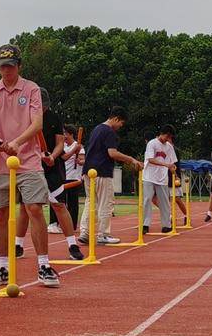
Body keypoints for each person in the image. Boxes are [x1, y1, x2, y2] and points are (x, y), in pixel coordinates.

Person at [0, 45, 61, 289]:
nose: (6, 70)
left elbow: (37, 124)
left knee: (35, 208)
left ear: (19, 66)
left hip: (27, 159)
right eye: (2, 66)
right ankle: (3, 267)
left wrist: (16, 143)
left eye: (11, 66)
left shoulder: (31, 89)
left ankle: (44, 265)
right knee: (0, 214)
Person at [25, 87, 83, 261]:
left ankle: (72, 245)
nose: (41, 109)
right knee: (25, 208)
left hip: (51, 168)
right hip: (29, 166)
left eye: (44, 106)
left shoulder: (54, 118)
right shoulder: (24, 117)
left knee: (59, 205)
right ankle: (18, 245)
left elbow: (59, 143)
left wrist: (52, 156)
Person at [78, 107, 143, 245]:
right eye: (121, 123)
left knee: (90, 202)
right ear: (116, 118)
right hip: (102, 171)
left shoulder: (97, 129)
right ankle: (103, 234)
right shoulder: (109, 132)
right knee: (105, 203)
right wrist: (131, 159)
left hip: (88, 171)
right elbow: (112, 153)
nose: (120, 126)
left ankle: (85, 232)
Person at [142, 125, 178, 233]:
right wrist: (166, 165)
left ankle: (166, 225)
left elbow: (172, 162)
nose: (168, 139)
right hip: (149, 176)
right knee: (147, 200)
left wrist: (173, 168)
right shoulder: (152, 143)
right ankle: (145, 225)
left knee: (164, 202)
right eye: (168, 136)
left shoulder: (169, 147)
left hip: (162, 178)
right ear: (164, 134)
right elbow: (151, 159)